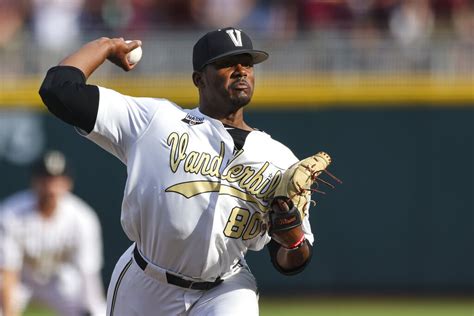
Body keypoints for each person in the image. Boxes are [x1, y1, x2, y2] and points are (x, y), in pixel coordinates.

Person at [38, 27, 315, 315]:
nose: (241, 71)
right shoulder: (155, 121)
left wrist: (292, 240)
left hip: (226, 288)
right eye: (226, 63)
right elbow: (58, 89)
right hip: (146, 283)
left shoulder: (280, 159)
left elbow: (291, 261)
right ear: (199, 79)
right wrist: (105, 45)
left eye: (247, 63)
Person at [0, 150, 106, 316]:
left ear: (68, 184)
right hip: (23, 281)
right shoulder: (11, 214)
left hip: (60, 283)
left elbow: (88, 273)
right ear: (34, 182)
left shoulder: (82, 218)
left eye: (57, 181)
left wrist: (94, 309)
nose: (51, 188)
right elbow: (7, 272)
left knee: (97, 310)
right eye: (45, 180)